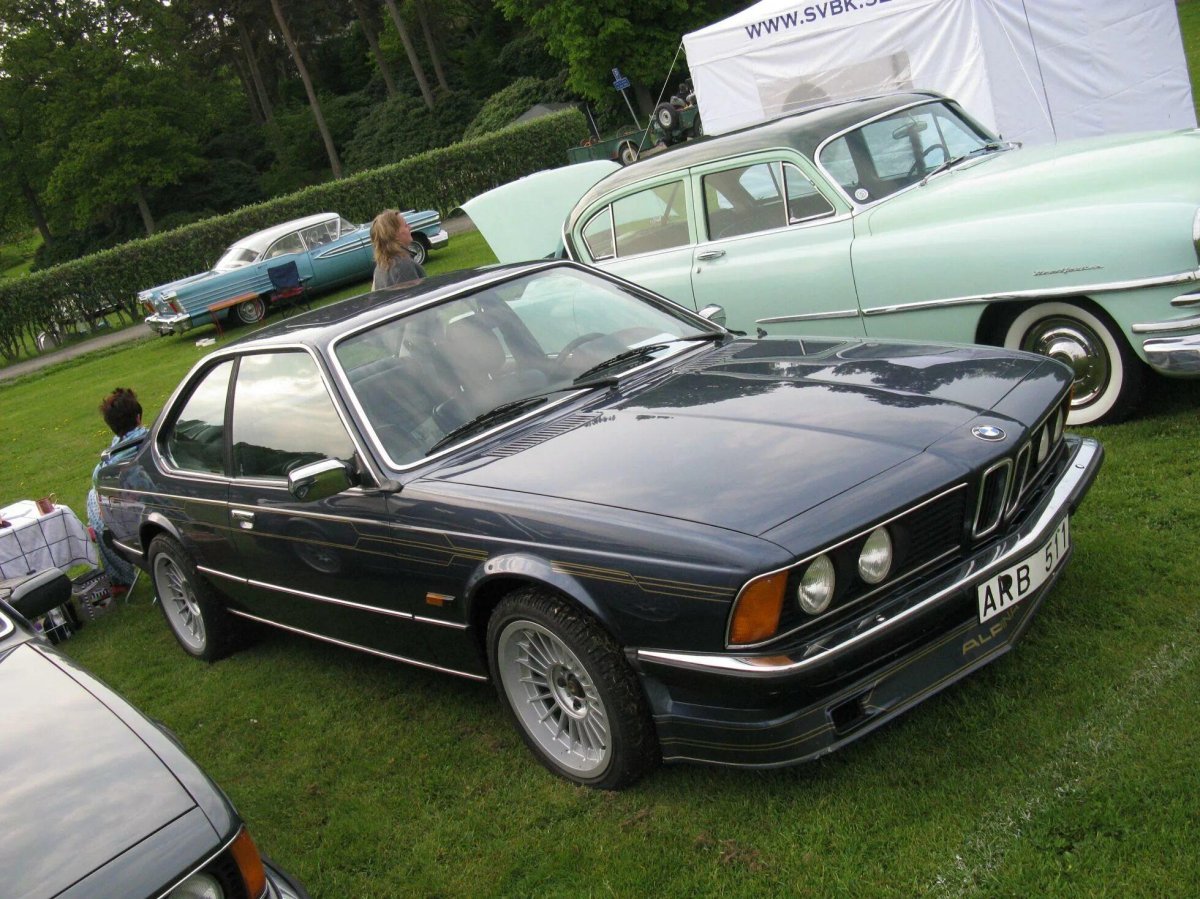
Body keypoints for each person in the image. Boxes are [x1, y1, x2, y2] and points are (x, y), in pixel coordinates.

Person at [86, 387, 149, 594]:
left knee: (95, 501)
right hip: (156, 523)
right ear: (138, 417)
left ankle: (120, 577)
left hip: (124, 535)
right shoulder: (155, 444)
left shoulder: (104, 470)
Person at [370, 209, 426, 290]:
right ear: (394, 234)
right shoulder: (403, 266)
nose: (410, 227)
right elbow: (414, 297)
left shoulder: (380, 268)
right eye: (406, 225)